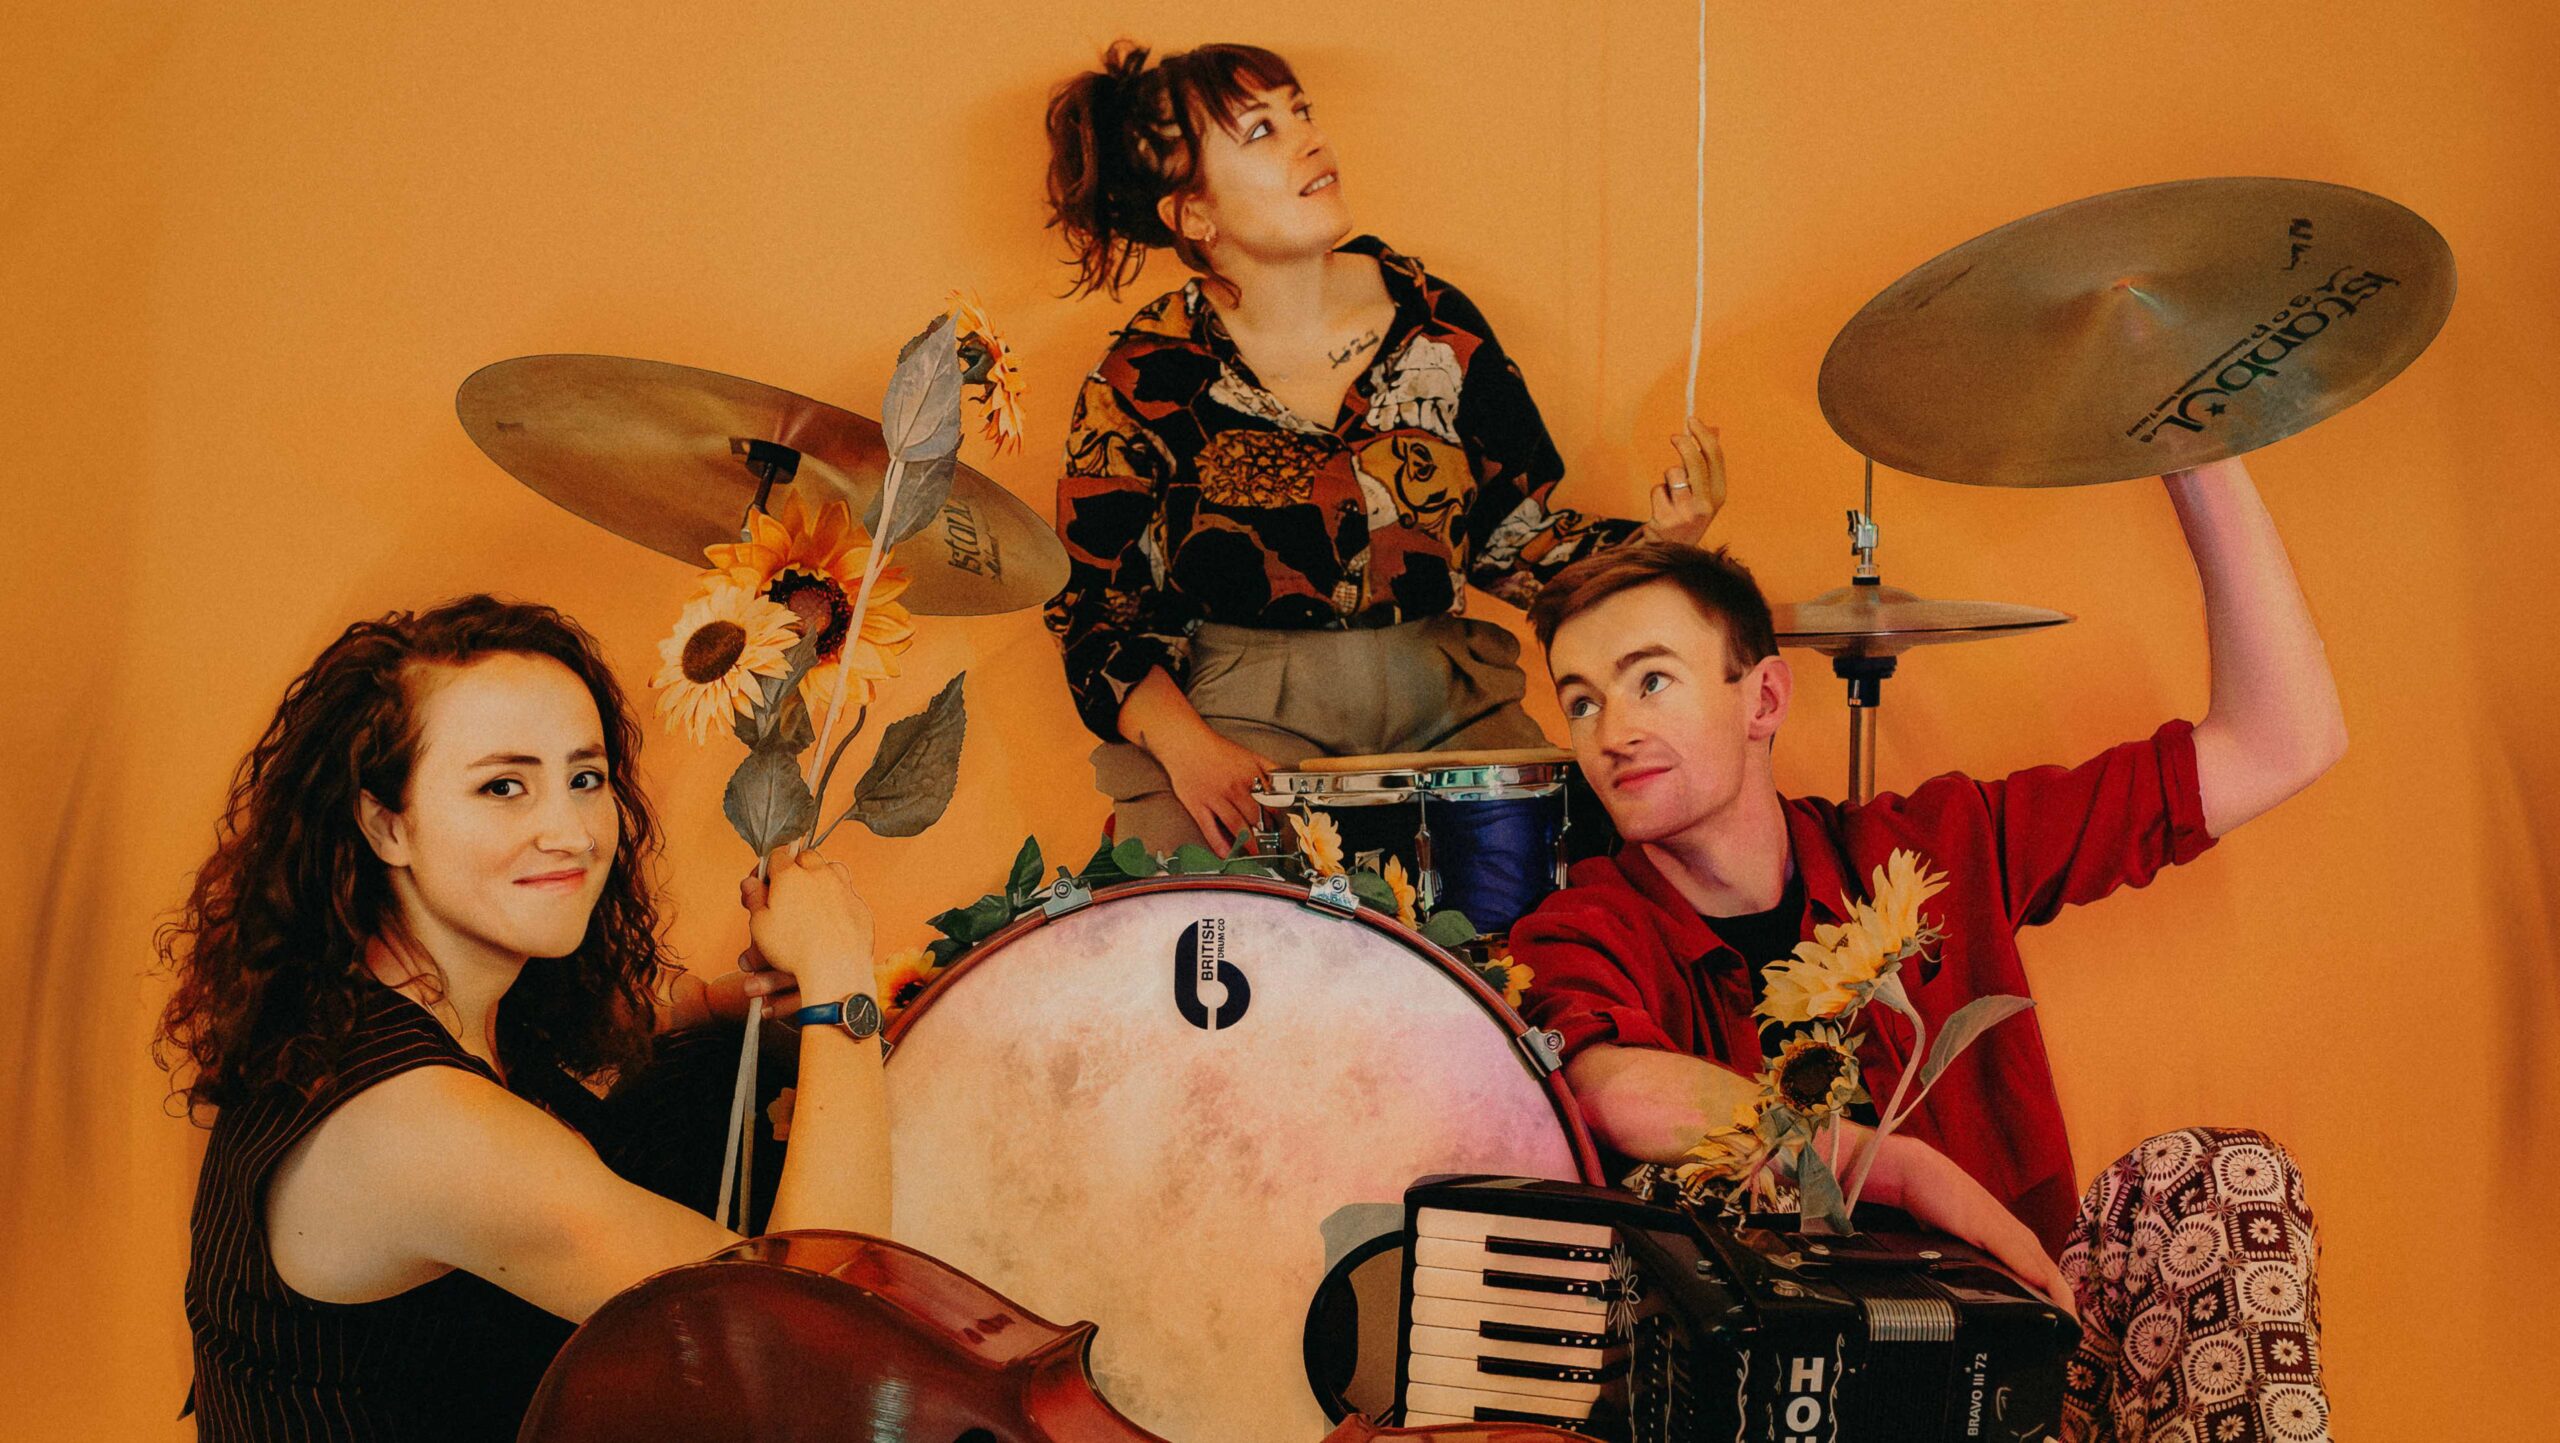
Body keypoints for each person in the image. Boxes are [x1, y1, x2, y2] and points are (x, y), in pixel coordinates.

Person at [1512, 459, 2342, 1443]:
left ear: (1763, 698)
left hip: (2015, 1366)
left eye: (1651, 679)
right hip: (1777, 1405)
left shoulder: (1937, 847)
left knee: (2221, 1173)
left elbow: (2282, 742)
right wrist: (1892, 1168)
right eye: (1581, 701)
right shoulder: (1578, 926)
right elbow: (1611, 1088)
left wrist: (2192, 446)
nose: (1613, 731)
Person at [156, 596, 888, 1442]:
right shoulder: (421, 1131)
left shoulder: (391, 992)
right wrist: (841, 978)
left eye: (585, 779)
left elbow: (629, 1024)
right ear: (387, 824)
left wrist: (723, 1001)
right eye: (504, 786)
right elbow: (815, 1359)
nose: (570, 832)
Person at [1040, 39, 1724, 852]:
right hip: (1238, 717)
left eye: (1301, 112)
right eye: (1260, 131)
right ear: (1195, 215)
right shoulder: (1142, 375)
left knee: (1576, 875)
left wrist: (1662, 544)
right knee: (1193, 915)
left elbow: (1509, 539)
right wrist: (1188, 750)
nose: (1309, 139)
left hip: (1447, 701)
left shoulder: (1437, 320)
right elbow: (1093, 609)